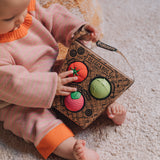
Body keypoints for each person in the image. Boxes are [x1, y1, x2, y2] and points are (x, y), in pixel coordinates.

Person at [0, 0, 126, 159]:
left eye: (23, 10)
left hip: (53, 69)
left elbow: (54, 18)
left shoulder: (24, 9)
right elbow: (14, 83)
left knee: (80, 73)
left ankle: (107, 107)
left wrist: (78, 31)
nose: (21, 18)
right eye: (9, 18)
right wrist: (51, 85)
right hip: (18, 100)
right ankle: (70, 148)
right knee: (32, 122)